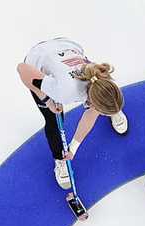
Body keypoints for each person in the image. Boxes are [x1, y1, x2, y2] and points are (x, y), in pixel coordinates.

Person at [17, 37, 128, 190]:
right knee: (54, 119)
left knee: (103, 100)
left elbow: (91, 113)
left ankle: (110, 108)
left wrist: (73, 147)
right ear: (92, 102)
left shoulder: (102, 78)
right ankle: (60, 160)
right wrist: (47, 99)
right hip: (39, 58)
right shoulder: (64, 92)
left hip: (66, 47)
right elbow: (22, 69)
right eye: (101, 110)